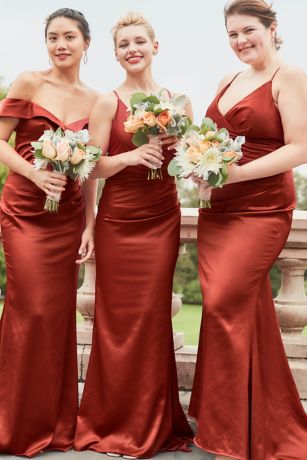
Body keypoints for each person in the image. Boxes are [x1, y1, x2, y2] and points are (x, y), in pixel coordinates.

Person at [189, 1, 307, 459]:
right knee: (242, 312)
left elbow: (300, 148)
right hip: (218, 212)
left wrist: (234, 174)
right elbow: (206, 140)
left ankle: (229, 429)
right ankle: (252, 421)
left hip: (261, 208)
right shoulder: (228, 81)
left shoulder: (290, 77)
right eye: (232, 34)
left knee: (221, 303)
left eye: (248, 31)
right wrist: (198, 163)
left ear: (272, 30)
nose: (240, 41)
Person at [75, 12, 193, 458]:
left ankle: (152, 420)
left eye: (139, 41)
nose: (132, 49)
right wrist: (129, 158)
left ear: (155, 46)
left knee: (151, 319)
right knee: (115, 320)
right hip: (119, 220)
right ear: (116, 53)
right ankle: (111, 419)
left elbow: (185, 165)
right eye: (124, 44)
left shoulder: (180, 102)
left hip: (162, 217)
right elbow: (90, 167)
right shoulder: (107, 103)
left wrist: (184, 155)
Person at [0, 8, 98, 456]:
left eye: (69, 37)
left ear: (85, 43)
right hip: (24, 211)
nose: (60, 44)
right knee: (30, 310)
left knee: (56, 318)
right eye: (53, 37)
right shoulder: (28, 82)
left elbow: (92, 170)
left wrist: (90, 225)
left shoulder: (95, 100)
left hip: (67, 217)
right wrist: (37, 176)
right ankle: (15, 423)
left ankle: (57, 423)